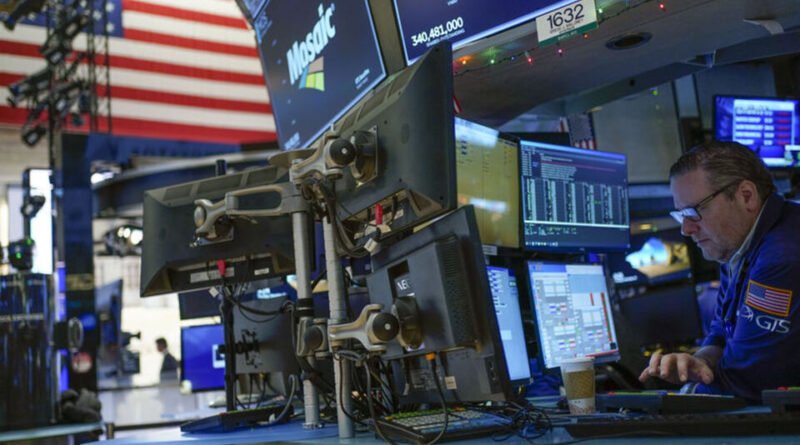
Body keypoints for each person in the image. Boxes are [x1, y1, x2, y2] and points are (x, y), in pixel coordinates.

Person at [638, 141, 800, 402]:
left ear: (746, 196)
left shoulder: (782, 257)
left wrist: (677, 399)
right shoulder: (739, 245)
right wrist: (700, 361)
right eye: (681, 215)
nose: (686, 229)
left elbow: (748, 380)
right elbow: (723, 329)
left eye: (694, 211)